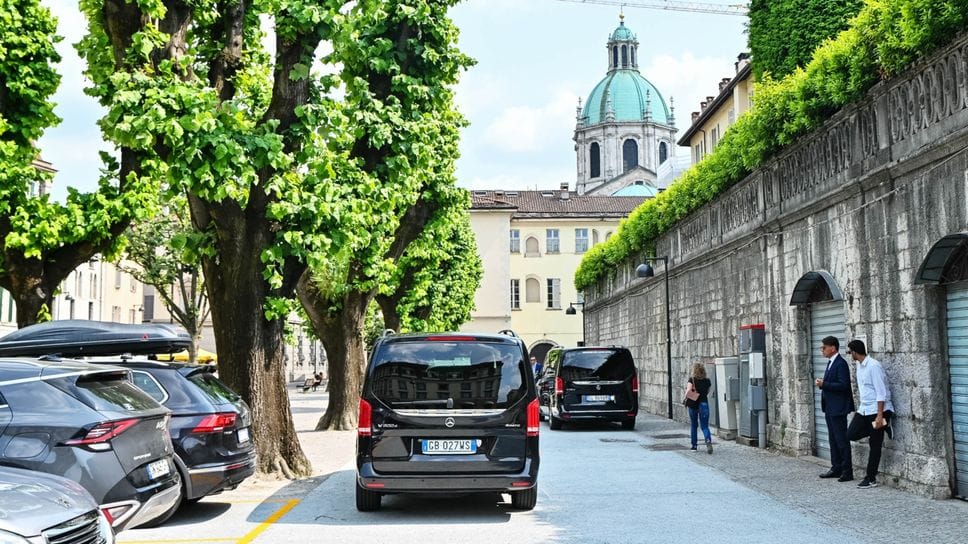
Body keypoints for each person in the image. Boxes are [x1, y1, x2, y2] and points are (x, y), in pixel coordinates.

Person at [846, 339, 894, 489]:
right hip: (864, 409)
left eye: (849, 352)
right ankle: (885, 426)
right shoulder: (859, 366)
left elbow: (881, 392)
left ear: (854, 352)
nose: (849, 355)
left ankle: (870, 478)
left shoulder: (873, 366)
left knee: (875, 445)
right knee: (850, 434)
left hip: (878, 410)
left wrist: (880, 416)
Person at [816, 335, 855, 482]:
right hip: (830, 407)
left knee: (841, 439)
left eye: (824, 347)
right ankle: (836, 467)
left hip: (838, 407)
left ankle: (847, 470)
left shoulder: (841, 364)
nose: (822, 350)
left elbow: (844, 385)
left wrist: (824, 384)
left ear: (833, 348)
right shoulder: (831, 363)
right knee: (833, 439)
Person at [686, 362, 713, 454]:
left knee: (694, 425)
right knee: (705, 426)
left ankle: (694, 446)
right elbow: (707, 392)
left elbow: (688, 391)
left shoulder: (692, 380)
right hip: (704, 404)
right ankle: (708, 440)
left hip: (693, 404)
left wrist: (686, 396)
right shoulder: (707, 381)